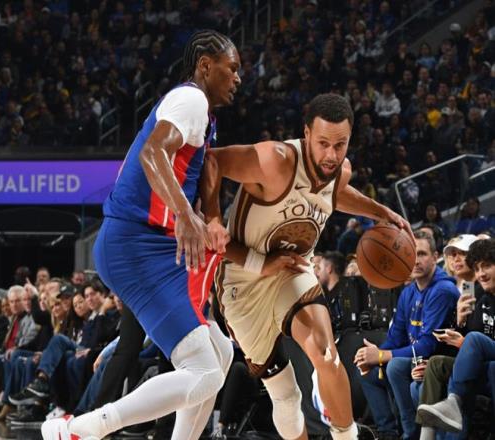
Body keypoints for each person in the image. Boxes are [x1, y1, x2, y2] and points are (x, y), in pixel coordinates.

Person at [42, 29, 241, 440]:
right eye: (232, 68)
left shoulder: (202, 114)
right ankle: (81, 428)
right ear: (206, 66)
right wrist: (185, 214)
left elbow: (205, 169)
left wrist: (211, 216)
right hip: (133, 244)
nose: (238, 78)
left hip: (149, 245)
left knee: (219, 354)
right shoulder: (191, 100)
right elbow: (153, 152)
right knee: (203, 370)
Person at [202, 93, 412, 440]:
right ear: (306, 133)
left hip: (292, 269)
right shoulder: (275, 160)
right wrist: (212, 218)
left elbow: (336, 194)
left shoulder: (340, 171)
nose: (331, 155)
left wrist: (381, 212)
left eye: (340, 145)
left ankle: (346, 437)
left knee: (326, 354)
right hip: (243, 279)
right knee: (285, 395)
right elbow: (212, 161)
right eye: (323, 143)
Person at [354, 231, 459, 440]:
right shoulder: (408, 292)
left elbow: (428, 345)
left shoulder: (443, 290)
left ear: (435, 256)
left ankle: (410, 433)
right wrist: (373, 355)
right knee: (367, 372)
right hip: (414, 358)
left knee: (395, 366)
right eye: (411, 255)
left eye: (422, 254)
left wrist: (382, 356)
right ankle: (387, 433)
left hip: (436, 361)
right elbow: (396, 337)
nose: (416, 261)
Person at [417, 238, 495, 435]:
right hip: (482, 363)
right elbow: (470, 341)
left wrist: (465, 341)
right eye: (477, 269)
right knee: (438, 365)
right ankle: (427, 434)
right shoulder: (483, 300)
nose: (481, 274)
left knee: (479, 350)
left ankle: (453, 402)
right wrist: (460, 322)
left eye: (487, 266)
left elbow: (474, 341)